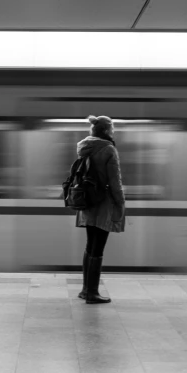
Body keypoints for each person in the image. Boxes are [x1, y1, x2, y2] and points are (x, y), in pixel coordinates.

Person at [76, 115, 126, 304]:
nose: (113, 131)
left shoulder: (84, 147)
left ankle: (85, 289)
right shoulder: (108, 149)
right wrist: (120, 203)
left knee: (90, 246)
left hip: (88, 201)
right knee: (98, 248)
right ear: (106, 130)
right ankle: (92, 293)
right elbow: (115, 181)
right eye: (112, 128)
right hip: (103, 203)